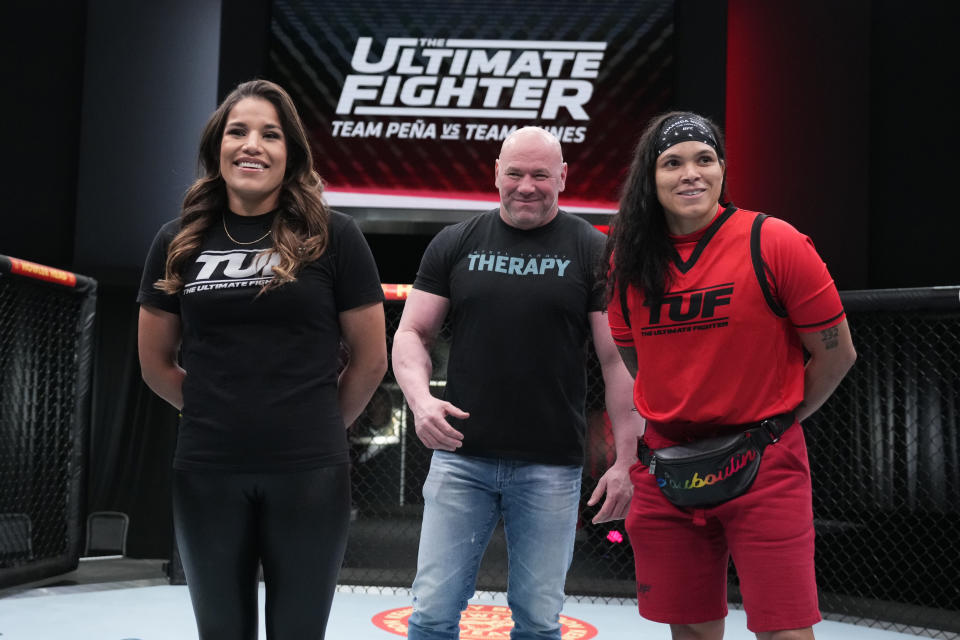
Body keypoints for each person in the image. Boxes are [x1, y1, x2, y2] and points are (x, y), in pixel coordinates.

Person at [137, 79, 387, 639]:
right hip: (207, 470)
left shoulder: (334, 236)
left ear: (291, 153)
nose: (253, 145)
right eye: (238, 131)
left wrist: (315, 423)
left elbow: (370, 360)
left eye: (270, 134)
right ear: (217, 148)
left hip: (310, 473)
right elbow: (155, 363)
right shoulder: (177, 240)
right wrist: (214, 409)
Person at [604, 111, 857, 640]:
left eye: (704, 159)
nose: (690, 173)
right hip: (669, 470)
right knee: (691, 631)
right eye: (672, 163)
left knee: (785, 630)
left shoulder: (775, 242)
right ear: (650, 179)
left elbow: (836, 355)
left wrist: (776, 421)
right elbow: (637, 364)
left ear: (722, 169)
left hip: (765, 465)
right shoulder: (628, 261)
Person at [392, 126, 645, 640]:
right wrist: (420, 402)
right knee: (433, 611)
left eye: (540, 175)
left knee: (537, 618)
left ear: (563, 178)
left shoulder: (592, 250)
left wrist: (625, 460)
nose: (526, 186)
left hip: (550, 465)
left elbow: (617, 360)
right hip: (461, 458)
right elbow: (412, 332)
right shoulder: (455, 242)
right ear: (495, 175)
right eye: (515, 173)